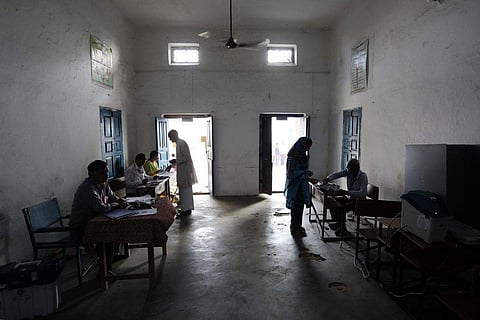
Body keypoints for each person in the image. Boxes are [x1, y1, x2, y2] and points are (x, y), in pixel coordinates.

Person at [69, 160, 127, 275]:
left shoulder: (103, 184)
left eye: (107, 172)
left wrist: (120, 201)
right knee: (108, 235)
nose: (106, 175)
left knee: (117, 226)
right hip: (81, 227)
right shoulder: (87, 188)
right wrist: (117, 204)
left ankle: (111, 257)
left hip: (95, 221)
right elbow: (102, 208)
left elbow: (113, 198)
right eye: (102, 173)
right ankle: (105, 271)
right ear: (92, 174)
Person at [322, 158, 368, 236]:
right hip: (351, 198)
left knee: (342, 207)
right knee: (331, 201)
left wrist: (347, 192)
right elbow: (338, 174)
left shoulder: (362, 177)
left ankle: (342, 229)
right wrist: (328, 178)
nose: (348, 171)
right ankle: (338, 223)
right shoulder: (349, 172)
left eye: (350, 169)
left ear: (357, 168)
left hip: (360, 202)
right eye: (348, 169)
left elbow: (362, 193)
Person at [284, 137, 319, 237]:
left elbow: (303, 174)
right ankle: (294, 228)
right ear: (301, 145)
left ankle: (298, 226)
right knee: (295, 208)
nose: (307, 149)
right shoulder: (292, 157)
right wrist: (305, 173)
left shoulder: (304, 156)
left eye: (309, 147)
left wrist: (309, 178)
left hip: (302, 186)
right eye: (307, 146)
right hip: (295, 187)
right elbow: (291, 174)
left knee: (300, 207)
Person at [167, 129, 198, 217]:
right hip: (182, 170)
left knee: (185, 191)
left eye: (170, 137)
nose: (170, 140)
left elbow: (186, 157)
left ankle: (186, 210)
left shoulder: (181, 143)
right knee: (183, 191)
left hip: (185, 170)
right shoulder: (178, 143)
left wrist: (176, 160)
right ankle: (185, 208)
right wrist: (175, 162)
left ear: (174, 135)